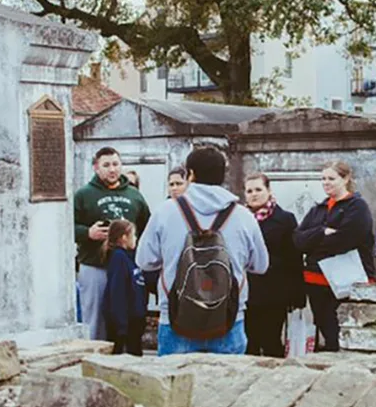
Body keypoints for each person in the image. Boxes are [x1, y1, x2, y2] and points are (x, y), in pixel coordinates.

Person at [136, 146, 269, 355]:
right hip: (229, 317)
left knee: (174, 385)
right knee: (229, 385)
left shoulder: (165, 212)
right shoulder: (243, 216)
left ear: (191, 174)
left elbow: (144, 260)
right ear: (223, 175)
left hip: (175, 317)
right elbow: (261, 266)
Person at [294, 161, 375, 352]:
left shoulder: (357, 207)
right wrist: (322, 232)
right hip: (315, 280)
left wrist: (313, 243)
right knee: (326, 329)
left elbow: (346, 240)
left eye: (331, 178)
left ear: (345, 179)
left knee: (346, 333)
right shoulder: (317, 209)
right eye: (323, 178)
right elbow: (297, 240)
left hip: (346, 280)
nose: (326, 182)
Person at [74, 147, 151, 341]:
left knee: (127, 314)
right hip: (95, 265)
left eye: (116, 164)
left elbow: (148, 227)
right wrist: (87, 233)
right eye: (106, 165)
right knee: (95, 318)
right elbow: (65, 227)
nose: (112, 169)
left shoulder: (134, 195)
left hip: (126, 266)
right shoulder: (84, 194)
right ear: (96, 168)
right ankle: (95, 356)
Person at [242, 173, 302, 357]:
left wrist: (297, 294)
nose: (254, 194)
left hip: (274, 292)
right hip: (246, 292)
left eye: (258, 189)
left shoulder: (285, 219)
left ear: (268, 191)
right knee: (248, 343)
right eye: (249, 191)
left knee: (271, 342)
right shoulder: (239, 218)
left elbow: (294, 258)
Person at [102, 220, 145, 356]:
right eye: (133, 235)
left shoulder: (131, 258)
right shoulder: (118, 258)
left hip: (134, 321)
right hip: (125, 323)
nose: (136, 239)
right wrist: (121, 326)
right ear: (124, 238)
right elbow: (117, 292)